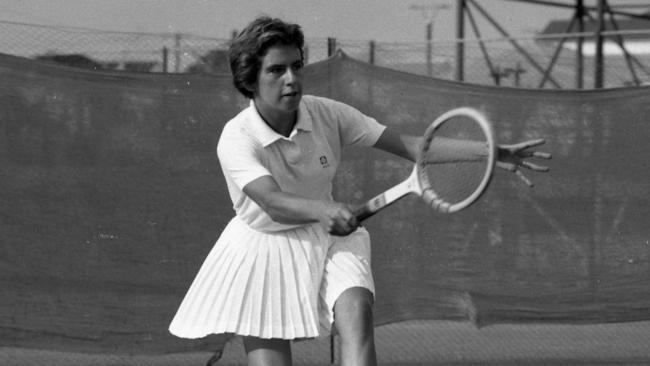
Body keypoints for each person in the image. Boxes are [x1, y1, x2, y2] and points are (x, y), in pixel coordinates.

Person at [169, 16, 550, 366]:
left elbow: (414, 146)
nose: (292, 79)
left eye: (297, 66)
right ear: (250, 79)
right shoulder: (236, 137)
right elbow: (272, 202)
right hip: (261, 247)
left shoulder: (327, 113)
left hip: (333, 239)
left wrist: (489, 152)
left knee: (356, 312)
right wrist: (322, 211)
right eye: (277, 70)